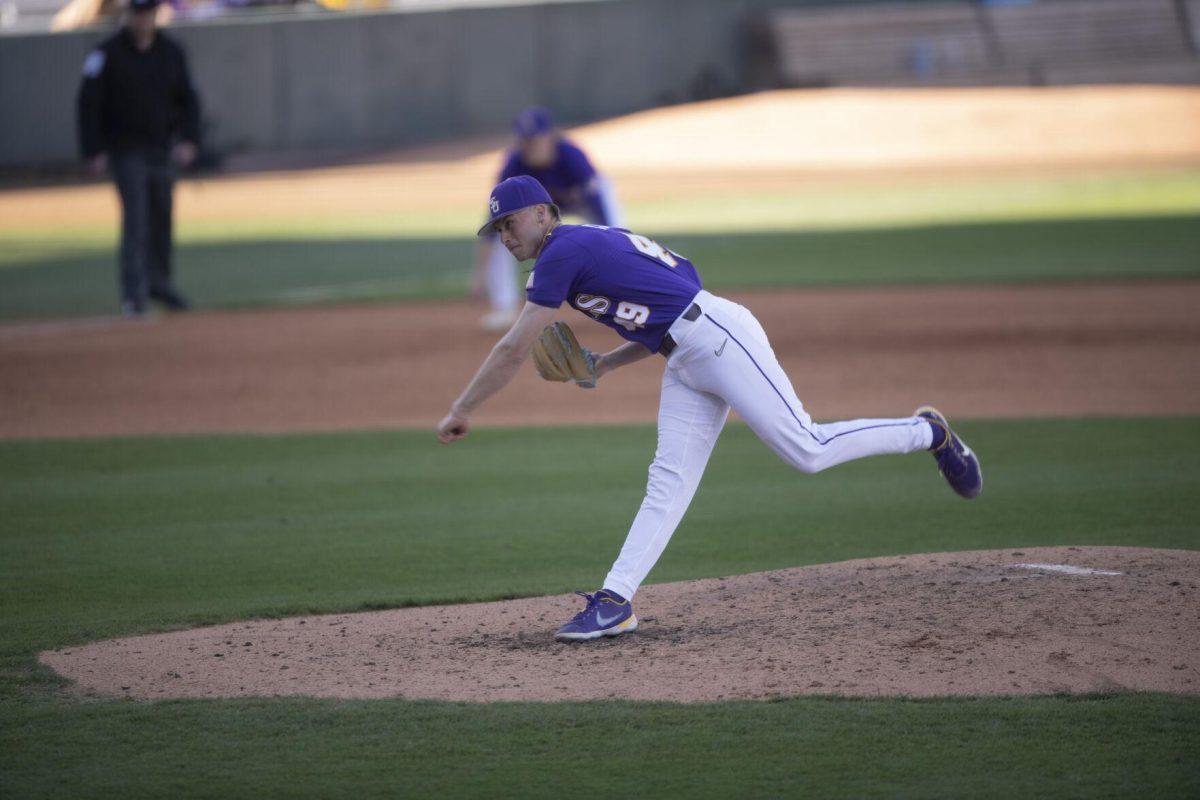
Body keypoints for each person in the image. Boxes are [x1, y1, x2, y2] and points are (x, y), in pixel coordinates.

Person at [437, 176, 982, 643]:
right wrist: (605, 365)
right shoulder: (589, 242)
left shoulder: (561, 252)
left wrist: (462, 408)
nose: (505, 236)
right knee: (668, 480)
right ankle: (615, 600)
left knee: (807, 450)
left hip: (720, 339)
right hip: (690, 353)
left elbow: (512, 348)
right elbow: (670, 304)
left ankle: (927, 432)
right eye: (497, 231)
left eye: (509, 224)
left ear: (541, 213)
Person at [76, 0, 200, 317]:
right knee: (136, 220)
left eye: (147, 12)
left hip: (161, 148)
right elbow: (88, 103)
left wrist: (189, 139)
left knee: (162, 218)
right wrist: (92, 149)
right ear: (128, 14)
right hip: (125, 149)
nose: (142, 18)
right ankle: (134, 294)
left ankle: (161, 284)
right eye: (137, 12)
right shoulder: (106, 54)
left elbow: (189, 99)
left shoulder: (171, 51)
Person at [472, 106, 624, 331]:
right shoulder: (513, 164)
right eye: (525, 140)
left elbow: (599, 206)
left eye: (535, 139)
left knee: (616, 236)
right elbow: (494, 221)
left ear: (550, 136)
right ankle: (504, 308)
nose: (530, 145)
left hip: (580, 203)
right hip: (543, 209)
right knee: (504, 236)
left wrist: (613, 238)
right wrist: (480, 272)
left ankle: (622, 301)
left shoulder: (571, 156)